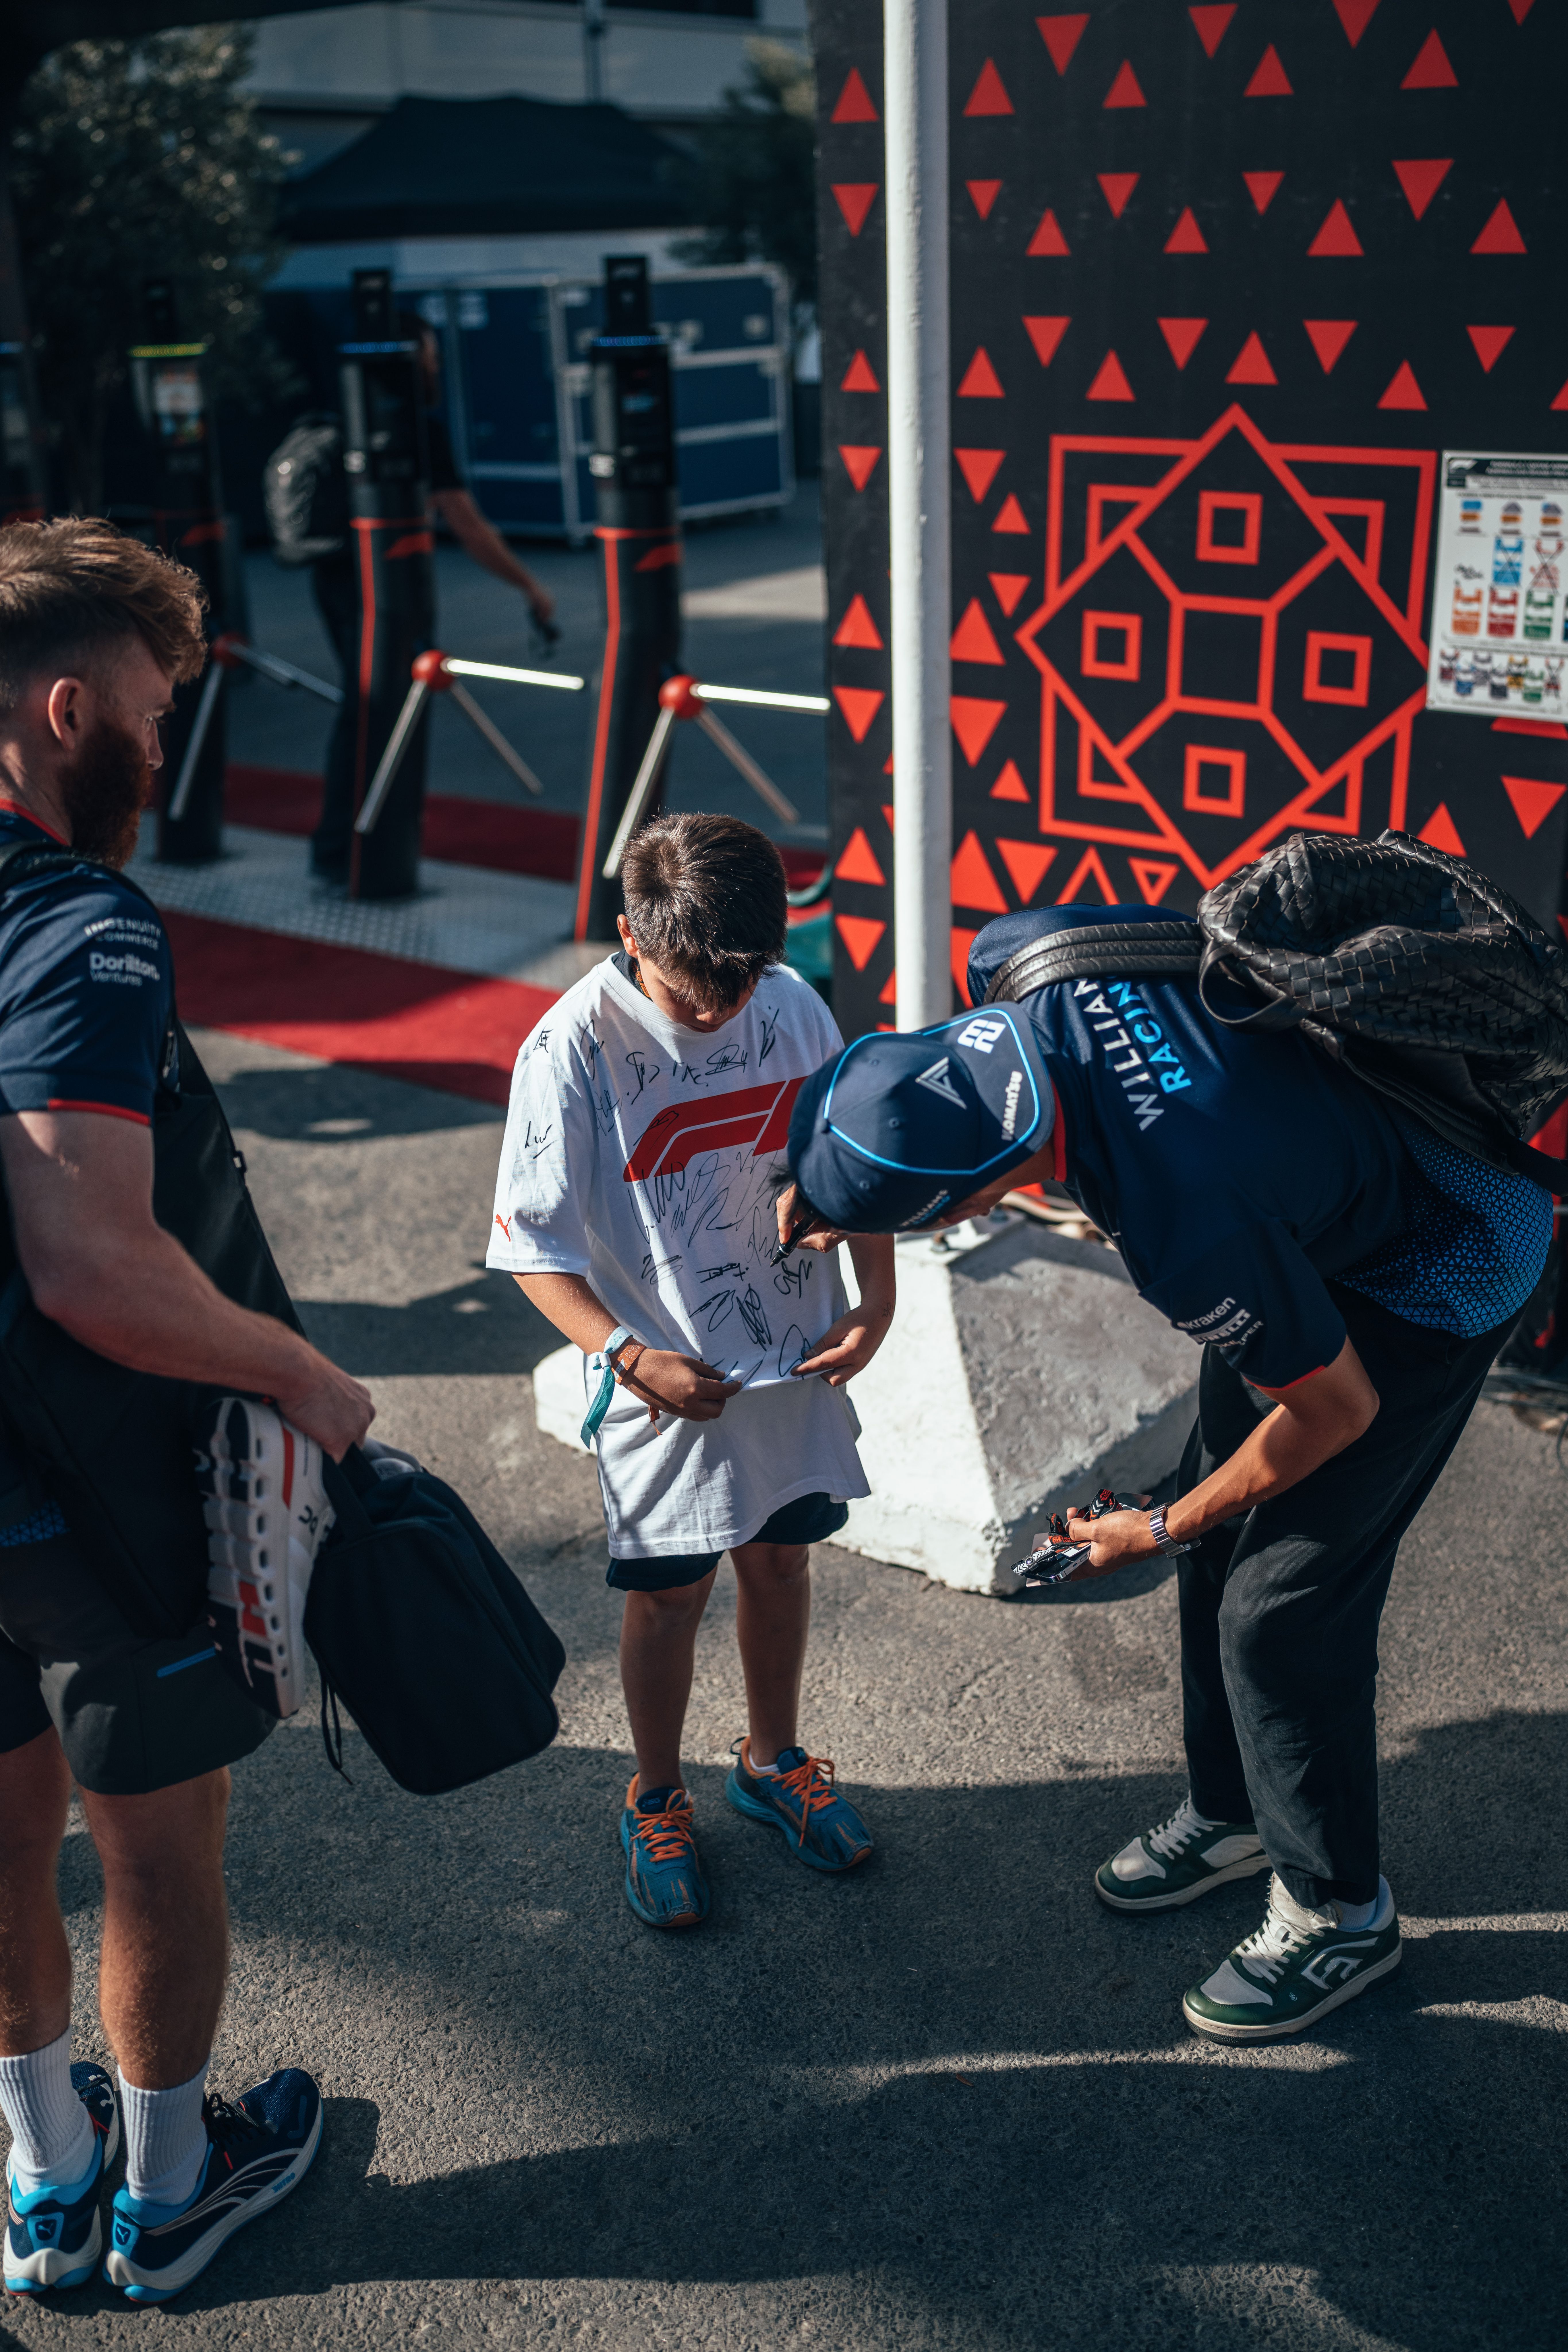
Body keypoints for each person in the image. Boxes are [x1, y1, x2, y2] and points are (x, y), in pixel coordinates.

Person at [780, 898, 1551, 2043]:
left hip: (1442, 1258)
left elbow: (1337, 1409)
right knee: (1222, 1532)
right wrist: (826, 1182)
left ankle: (1341, 1911)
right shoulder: (1026, 959)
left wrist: (1157, 1525)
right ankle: (1234, 1813)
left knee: (1279, 1609)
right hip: (1315, 1201)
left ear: (978, 1199)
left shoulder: (1179, 1217)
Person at [0, 518, 374, 2299]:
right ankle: (164, 2199)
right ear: (65, 711)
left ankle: (44, 2175)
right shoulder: (72, 922)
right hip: (87, 1487)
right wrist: (307, 1379)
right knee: (155, 1843)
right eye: (150, 716)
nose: (162, 751)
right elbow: (92, 1261)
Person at [487, 812, 896, 1928]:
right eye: (692, 990)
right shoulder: (571, 1048)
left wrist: (878, 1300)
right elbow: (532, 1249)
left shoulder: (795, 1006)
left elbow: (855, 1162)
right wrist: (626, 1356)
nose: (720, 1010)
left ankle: (772, 1761)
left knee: (781, 1562)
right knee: (669, 1597)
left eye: (742, 982)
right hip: (662, 1384)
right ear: (629, 935)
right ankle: (655, 1793)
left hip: (791, 1359)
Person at [310, 313, 558, 884]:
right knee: (380, 713)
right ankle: (363, 849)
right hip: (391, 592)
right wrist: (529, 586)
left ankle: (345, 846)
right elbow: (468, 526)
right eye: (430, 357)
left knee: (364, 713)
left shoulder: (350, 419)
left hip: (338, 585)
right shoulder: (420, 431)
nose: (436, 368)